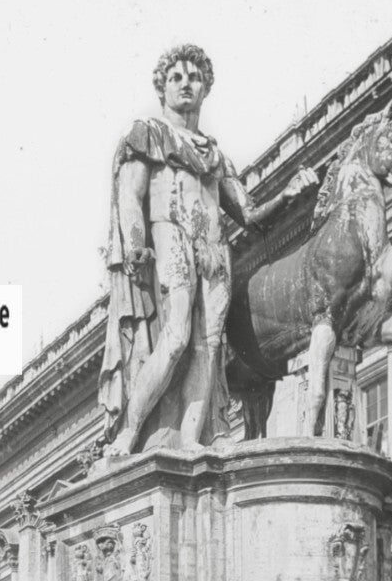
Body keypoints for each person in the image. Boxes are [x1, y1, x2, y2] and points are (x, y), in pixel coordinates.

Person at [100, 44, 295, 456]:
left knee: (209, 346)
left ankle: (191, 438)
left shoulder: (215, 154)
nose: (186, 84)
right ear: (162, 89)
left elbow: (248, 213)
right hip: (170, 233)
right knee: (175, 338)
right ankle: (129, 433)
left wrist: (288, 195)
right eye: (176, 78)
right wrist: (135, 245)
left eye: (194, 78)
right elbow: (131, 194)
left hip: (213, 247)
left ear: (206, 88)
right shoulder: (149, 134)